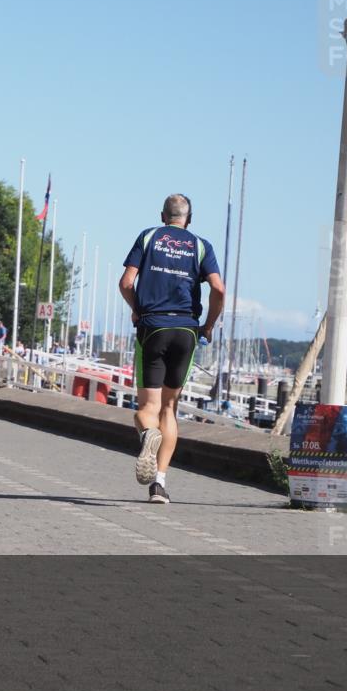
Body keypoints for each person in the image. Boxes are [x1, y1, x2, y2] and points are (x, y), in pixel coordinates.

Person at [119, 193, 225, 503]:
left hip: (154, 328)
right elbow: (218, 288)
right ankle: (159, 486)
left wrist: (138, 309)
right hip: (186, 331)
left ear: (163, 216)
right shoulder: (201, 245)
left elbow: (126, 282)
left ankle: (147, 435)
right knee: (169, 409)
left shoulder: (149, 236)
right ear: (188, 219)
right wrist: (208, 325)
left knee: (147, 411)